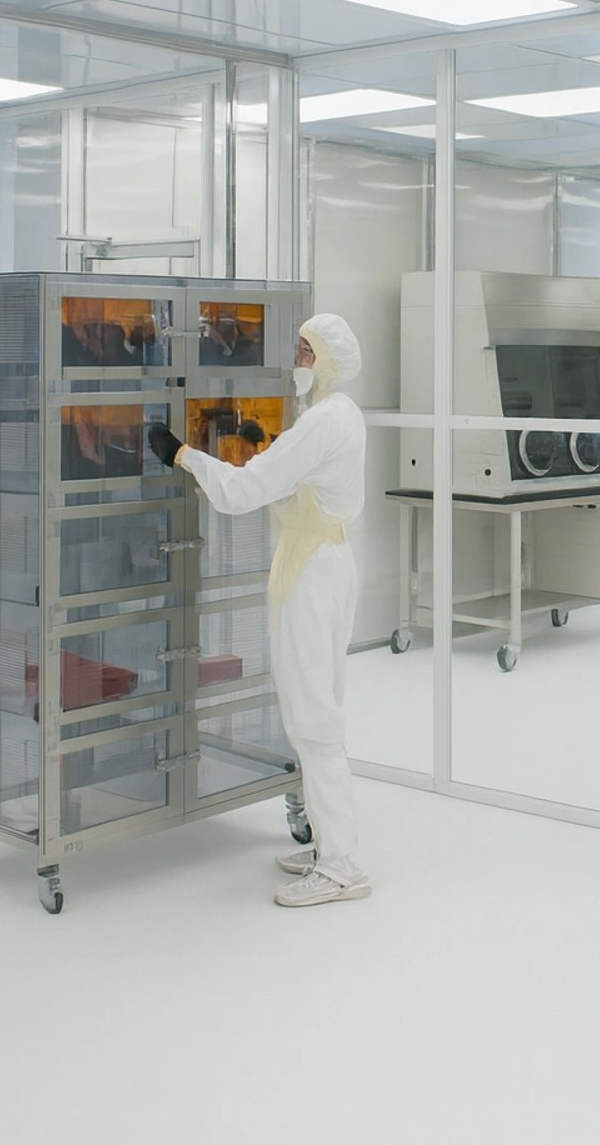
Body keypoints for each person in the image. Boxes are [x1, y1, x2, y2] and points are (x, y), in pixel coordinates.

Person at [147, 314, 370, 908]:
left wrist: (183, 456)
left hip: (310, 574)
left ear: (326, 360)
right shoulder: (341, 413)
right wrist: (262, 445)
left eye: (305, 350)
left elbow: (242, 493)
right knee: (319, 709)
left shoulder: (321, 422)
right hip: (331, 563)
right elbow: (295, 472)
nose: (295, 359)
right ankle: (329, 843)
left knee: (312, 720)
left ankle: (343, 866)